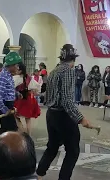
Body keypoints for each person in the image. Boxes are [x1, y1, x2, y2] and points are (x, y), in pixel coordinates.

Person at [36, 44, 92, 180]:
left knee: (52, 147)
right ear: (73, 60)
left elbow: (48, 96)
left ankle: (39, 174)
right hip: (63, 116)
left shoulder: (54, 70)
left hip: (51, 114)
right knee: (73, 151)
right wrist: (80, 118)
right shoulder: (68, 71)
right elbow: (67, 100)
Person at [0, 52, 22, 136]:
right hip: (4, 105)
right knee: (9, 129)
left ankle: (1, 146)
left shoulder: (8, 75)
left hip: (9, 104)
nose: (18, 68)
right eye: (16, 65)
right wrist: (5, 110)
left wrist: (16, 94)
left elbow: (8, 89)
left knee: (8, 129)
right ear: (11, 65)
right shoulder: (2, 76)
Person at [14, 63, 41, 136]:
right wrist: (34, 92)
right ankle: (29, 135)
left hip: (20, 99)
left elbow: (12, 87)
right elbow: (37, 87)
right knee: (28, 119)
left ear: (20, 70)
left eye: (17, 69)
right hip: (29, 98)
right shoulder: (29, 78)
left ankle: (22, 132)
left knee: (16, 116)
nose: (16, 70)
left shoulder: (16, 78)